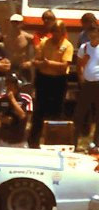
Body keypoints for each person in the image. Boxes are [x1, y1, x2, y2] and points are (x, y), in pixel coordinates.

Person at [28, 20, 74, 148]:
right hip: (43, 80)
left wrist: (48, 64)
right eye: (53, 31)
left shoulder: (67, 46)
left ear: (63, 32)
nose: (55, 34)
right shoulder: (44, 42)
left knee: (57, 111)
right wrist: (42, 64)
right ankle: (33, 142)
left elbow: (64, 66)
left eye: (58, 31)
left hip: (58, 81)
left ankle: (54, 142)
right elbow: (36, 61)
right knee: (39, 111)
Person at [74, 23, 99, 149]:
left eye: (95, 32)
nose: (93, 35)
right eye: (90, 33)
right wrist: (81, 79)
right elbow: (79, 66)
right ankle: (74, 140)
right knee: (80, 113)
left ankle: (96, 143)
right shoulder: (84, 47)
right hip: (87, 84)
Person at [0, 73, 33, 148]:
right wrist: (3, 119)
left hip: (20, 140)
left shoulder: (26, 98)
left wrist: (12, 99)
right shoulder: (2, 98)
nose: (9, 86)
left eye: (12, 84)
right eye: (7, 84)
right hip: (5, 139)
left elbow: (23, 115)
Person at [3, 14, 34, 83]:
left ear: (21, 23)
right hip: (10, 68)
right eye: (13, 22)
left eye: (17, 22)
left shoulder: (28, 37)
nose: (15, 24)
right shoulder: (5, 38)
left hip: (23, 67)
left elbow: (38, 51)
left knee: (26, 87)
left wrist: (31, 62)